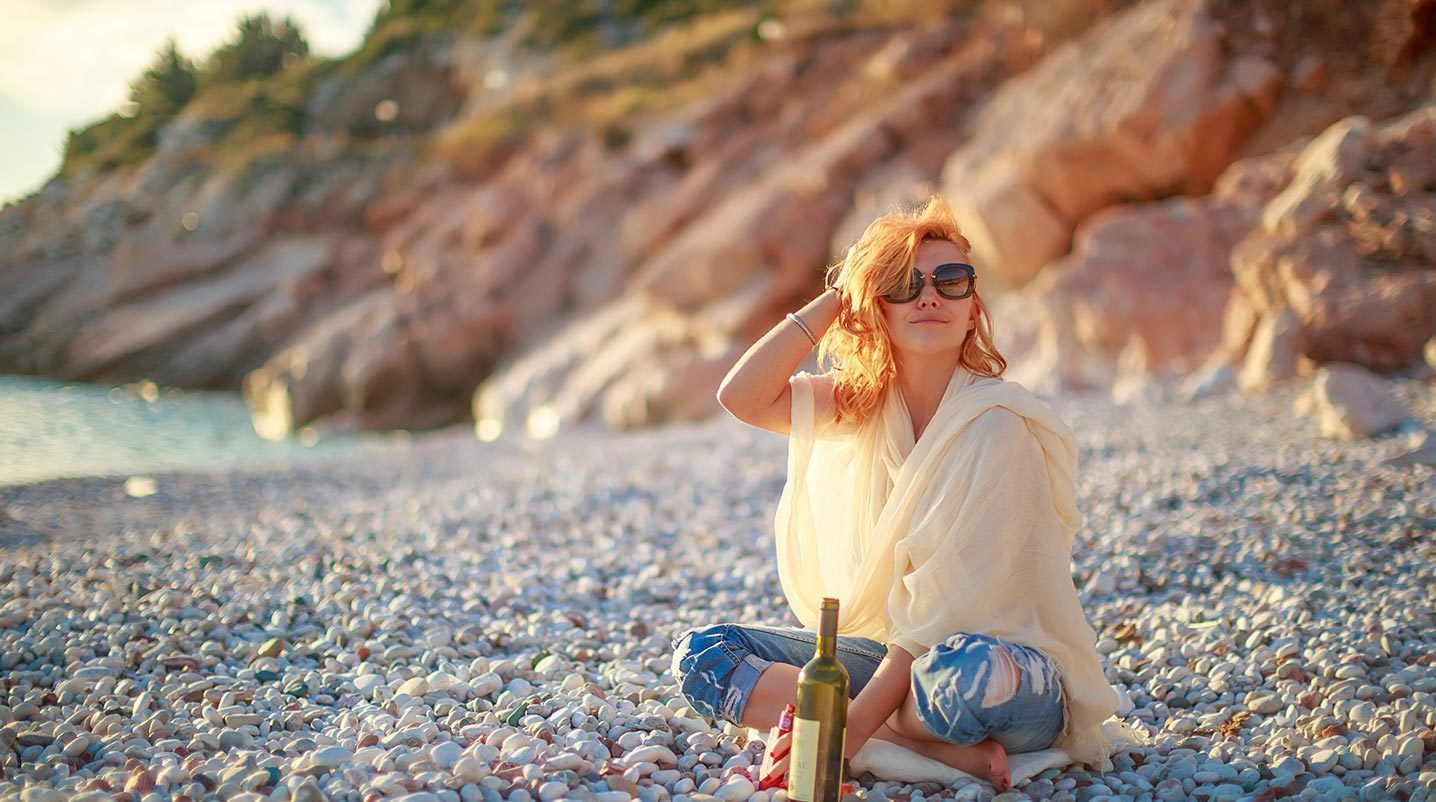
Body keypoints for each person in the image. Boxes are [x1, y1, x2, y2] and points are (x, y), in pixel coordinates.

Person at [668, 196, 1129, 792]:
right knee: (706, 656)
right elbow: (743, 396)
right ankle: (948, 755)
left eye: (950, 280)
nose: (929, 296)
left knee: (961, 677)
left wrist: (842, 736)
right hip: (893, 664)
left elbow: (944, 620)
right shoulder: (860, 407)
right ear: (876, 307)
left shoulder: (998, 424)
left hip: (1002, 673)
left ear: (972, 307)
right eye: (903, 285)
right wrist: (845, 292)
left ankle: (872, 731)